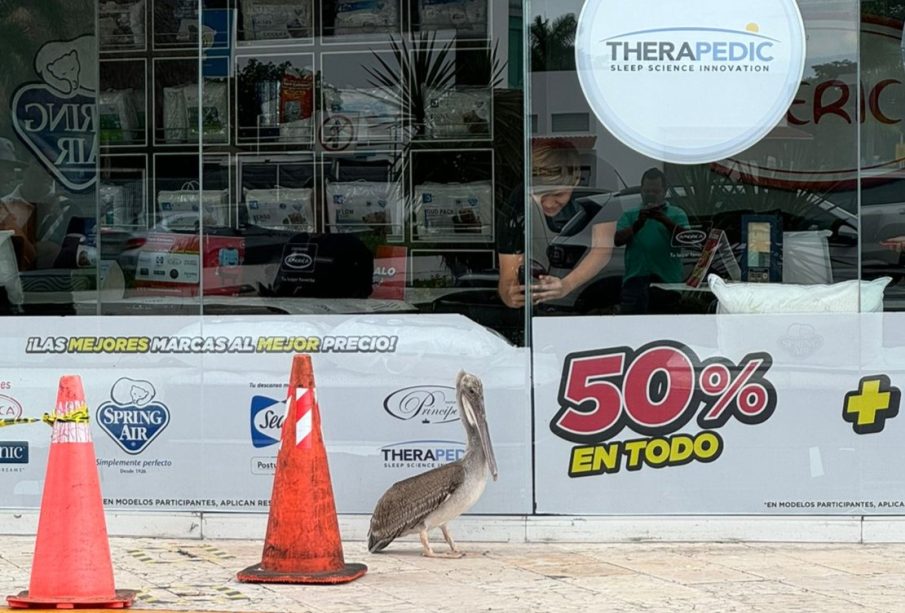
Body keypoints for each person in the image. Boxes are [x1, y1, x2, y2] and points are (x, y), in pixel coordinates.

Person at [497, 139, 615, 309]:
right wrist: (512, 295)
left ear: (575, 180)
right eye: (540, 195)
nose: (550, 203)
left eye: (558, 194)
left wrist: (566, 285)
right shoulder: (518, 201)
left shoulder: (602, 182)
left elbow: (602, 249)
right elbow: (508, 275)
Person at [614, 167, 689, 314]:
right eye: (647, 192)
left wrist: (664, 220)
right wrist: (637, 225)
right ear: (641, 190)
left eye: (655, 192)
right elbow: (617, 240)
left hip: (667, 282)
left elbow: (687, 240)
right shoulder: (631, 215)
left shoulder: (676, 214)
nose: (651, 196)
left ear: (664, 191)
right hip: (635, 282)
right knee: (633, 328)